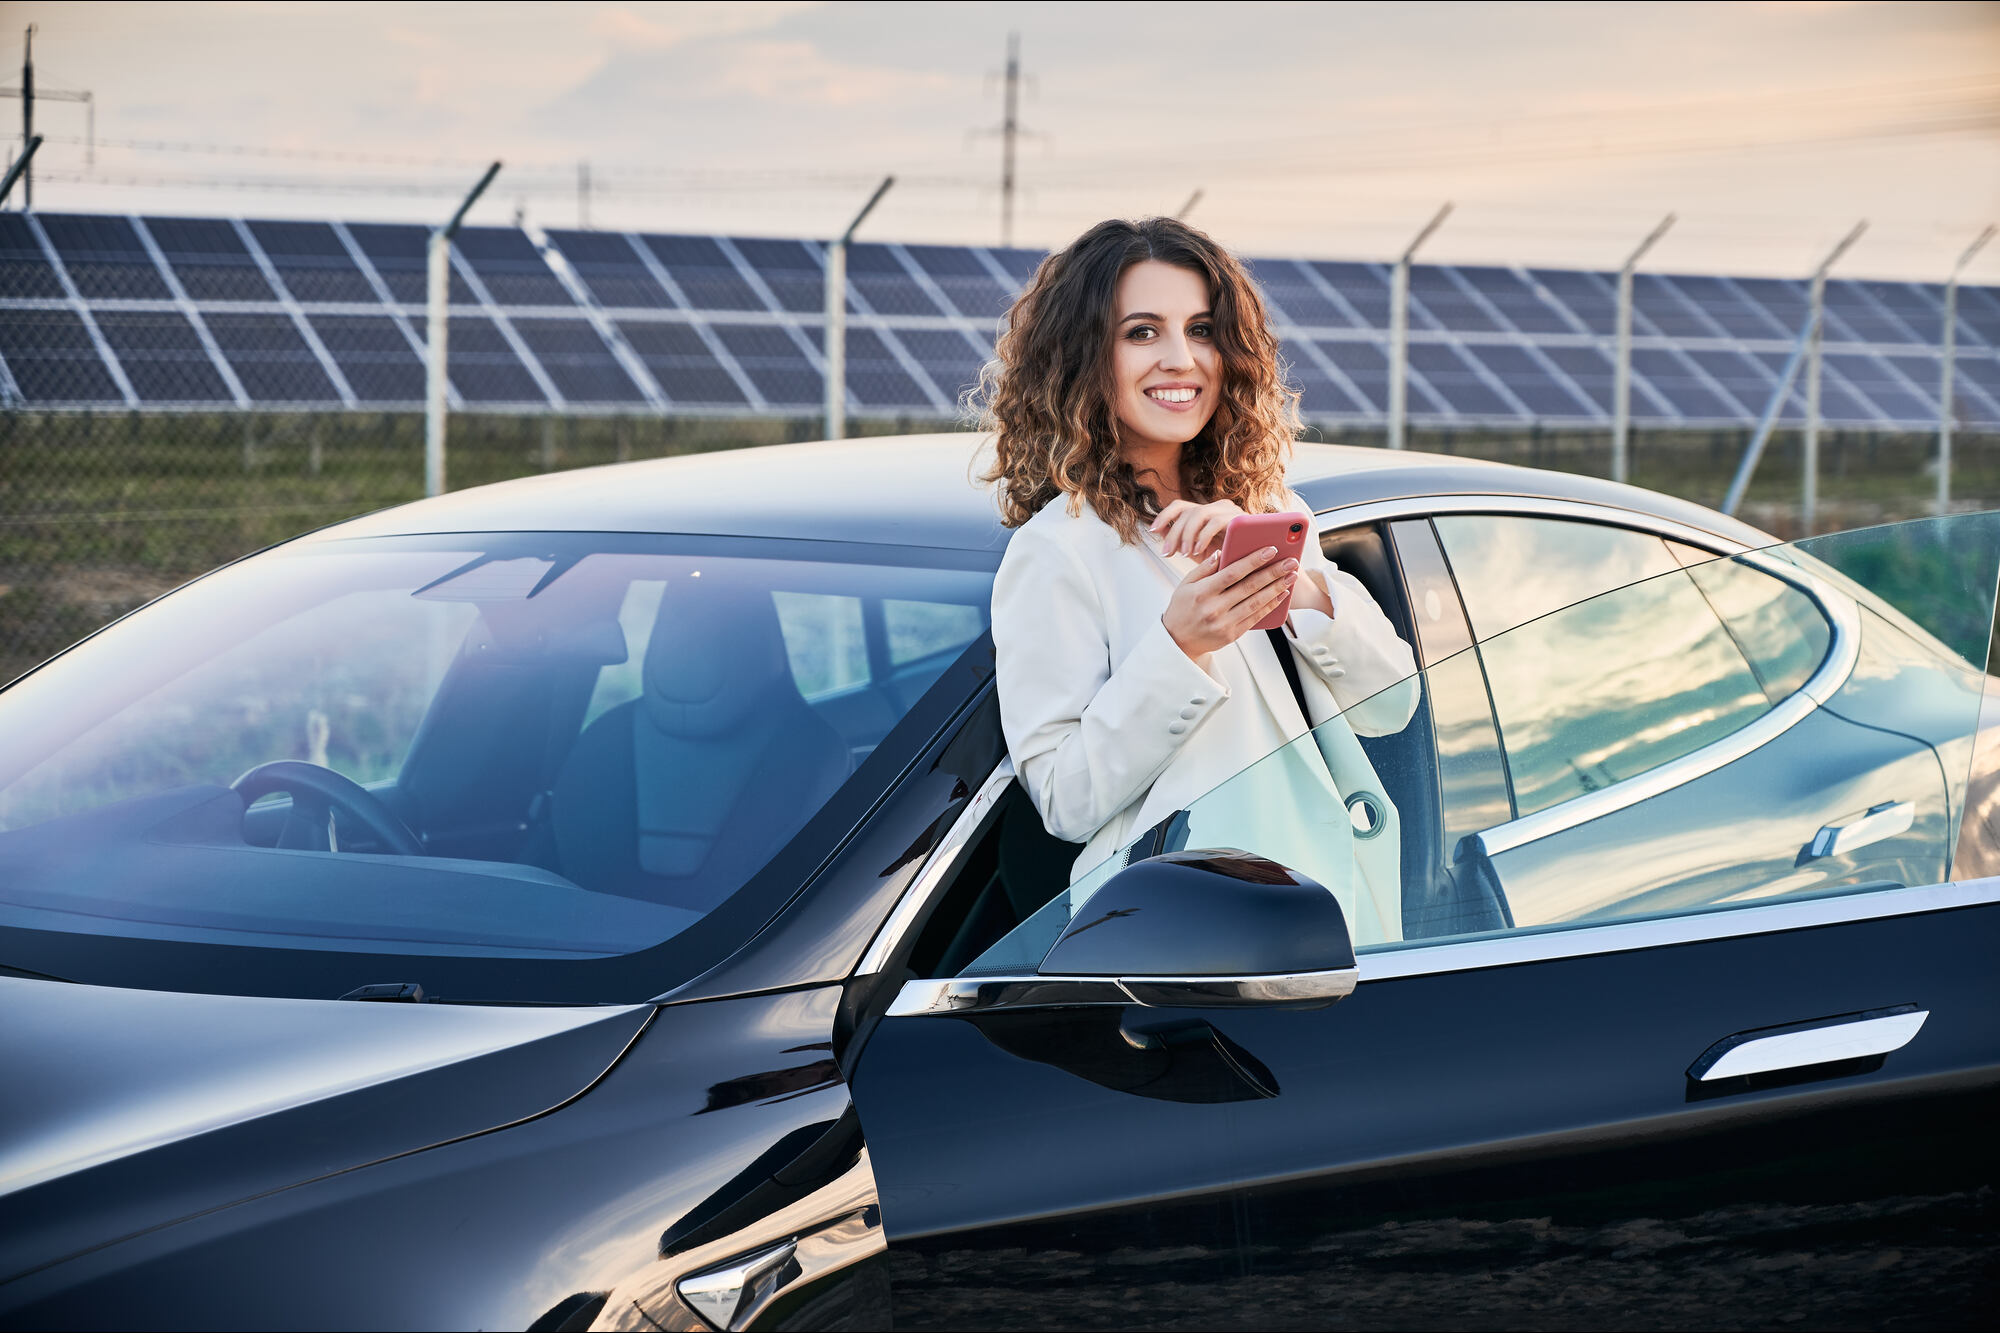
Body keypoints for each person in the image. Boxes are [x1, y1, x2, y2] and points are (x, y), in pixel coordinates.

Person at [981, 216, 1419, 945]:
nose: (1181, 359)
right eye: (1142, 332)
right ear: (1082, 355)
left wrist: (1296, 587)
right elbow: (1064, 797)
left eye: (1204, 329)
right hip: (1196, 945)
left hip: (1338, 917)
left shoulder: (1272, 508)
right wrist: (1180, 645)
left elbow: (1393, 704)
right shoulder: (1057, 551)